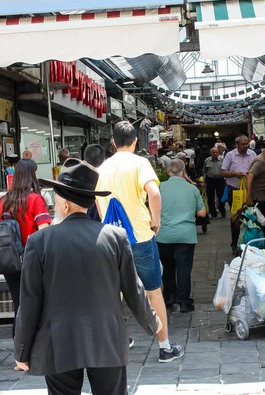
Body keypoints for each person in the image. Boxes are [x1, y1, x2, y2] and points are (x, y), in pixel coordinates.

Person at [14, 159, 160, 395]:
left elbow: (29, 300)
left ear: (64, 205)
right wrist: (152, 322)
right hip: (107, 338)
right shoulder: (115, 236)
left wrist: (22, 350)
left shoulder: (39, 241)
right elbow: (133, 289)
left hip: (57, 341)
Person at [96, 121, 184, 363]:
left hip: (110, 241)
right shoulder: (140, 163)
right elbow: (154, 193)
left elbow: (97, 202)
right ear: (135, 141)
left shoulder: (102, 168)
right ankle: (165, 347)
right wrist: (156, 221)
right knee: (153, 292)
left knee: (114, 294)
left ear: (113, 143)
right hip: (141, 239)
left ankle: (118, 344)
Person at [0, 159, 51, 368]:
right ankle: (38, 351)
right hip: (32, 261)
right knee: (39, 305)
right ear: (32, 175)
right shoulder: (36, 199)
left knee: (19, 306)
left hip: (9, 263)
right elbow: (44, 230)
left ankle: (20, 356)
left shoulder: (3, 201)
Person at [157, 159, 206, 313]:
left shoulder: (159, 188)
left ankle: (169, 297)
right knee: (184, 268)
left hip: (163, 234)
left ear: (168, 172)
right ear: (184, 172)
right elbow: (202, 213)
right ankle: (184, 301)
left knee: (168, 267)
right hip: (186, 234)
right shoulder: (192, 189)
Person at [221, 135, 256, 253]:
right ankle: (235, 244)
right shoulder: (230, 155)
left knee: (250, 216)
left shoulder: (252, 154)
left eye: (247, 144)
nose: (245, 146)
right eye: (243, 144)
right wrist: (235, 174)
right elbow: (223, 172)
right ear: (237, 145)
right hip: (235, 191)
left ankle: (250, 241)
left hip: (250, 191)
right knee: (236, 218)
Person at [83, 144, 105, 222]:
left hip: (85, 226)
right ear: (103, 160)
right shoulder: (109, 178)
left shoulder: (80, 180)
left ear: (84, 162)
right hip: (104, 225)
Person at [204, 148, 226, 219]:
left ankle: (222, 210)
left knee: (221, 197)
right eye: (213, 152)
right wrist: (203, 182)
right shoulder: (207, 161)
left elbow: (225, 170)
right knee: (210, 197)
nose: (215, 154)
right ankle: (213, 213)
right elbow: (205, 172)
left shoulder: (222, 160)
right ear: (211, 153)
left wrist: (226, 179)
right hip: (210, 180)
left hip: (220, 180)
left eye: (216, 152)